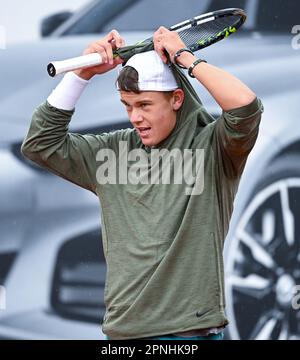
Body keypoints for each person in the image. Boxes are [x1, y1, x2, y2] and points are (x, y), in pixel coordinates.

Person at [21, 27, 264, 340]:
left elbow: (245, 107)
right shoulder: (111, 152)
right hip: (123, 334)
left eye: (145, 105)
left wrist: (185, 58)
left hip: (189, 334)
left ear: (177, 99)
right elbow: (40, 143)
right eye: (127, 105)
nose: (134, 117)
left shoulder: (214, 147)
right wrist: (81, 74)